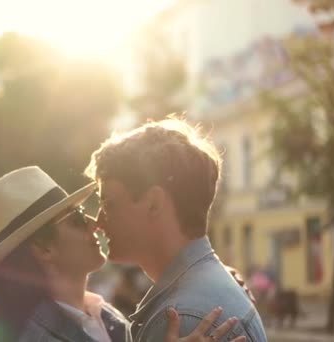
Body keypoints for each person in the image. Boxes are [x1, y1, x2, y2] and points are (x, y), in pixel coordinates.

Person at [0, 166, 245, 342]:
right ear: (43, 248)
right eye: (76, 219)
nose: (94, 222)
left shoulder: (106, 316)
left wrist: (208, 280)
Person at [85, 118, 267, 341]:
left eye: (109, 205)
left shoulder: (178, 318)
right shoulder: (205, 290)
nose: (99, 221)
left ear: (154, 203)